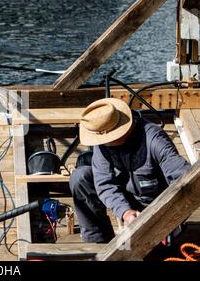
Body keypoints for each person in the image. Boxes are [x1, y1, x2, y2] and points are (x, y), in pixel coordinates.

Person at [69, 98, 191, 243]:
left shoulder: (154, 139)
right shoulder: (102, 140)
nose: (103, 142)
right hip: (127, 199)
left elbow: (184, 180)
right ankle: (98, 243)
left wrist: (165, 217)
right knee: (80, 178)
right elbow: (104, 183)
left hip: (157, 204)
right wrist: (126, 212)